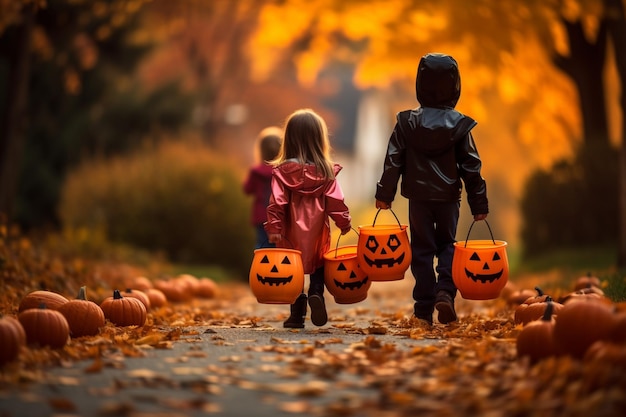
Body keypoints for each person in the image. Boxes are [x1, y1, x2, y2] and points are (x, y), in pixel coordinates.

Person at [374, 53, 489, 325]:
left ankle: (423, 308)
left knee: (422, 249)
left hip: (418, 198)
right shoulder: (460, 126)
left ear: (420, 83)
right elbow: (471, 165)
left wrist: (384, 194)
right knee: (447, 244)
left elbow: (393, 159)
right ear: (455, 85)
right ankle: (446, 293)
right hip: (449, 197)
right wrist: (479, 203)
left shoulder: (406, 123)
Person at [266, 109, 352, 328]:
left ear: (289, 139)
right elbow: (336, 202)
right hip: (317, 232)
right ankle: (316, 294)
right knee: (318, 265)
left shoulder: (283, 172)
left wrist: (274, 227)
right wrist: (344, 222)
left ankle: (296, 316)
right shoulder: (326, 172)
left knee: (291, 272)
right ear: (319, 139)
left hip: (289, 233)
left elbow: (277, 201)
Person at [243, 127, 283, 249]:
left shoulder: (255, 172)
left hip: (261, 216)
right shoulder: (283, 171)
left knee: (262, 244)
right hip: (280, 215)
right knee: (280, 246)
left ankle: (261, 267)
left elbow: (247, 189)